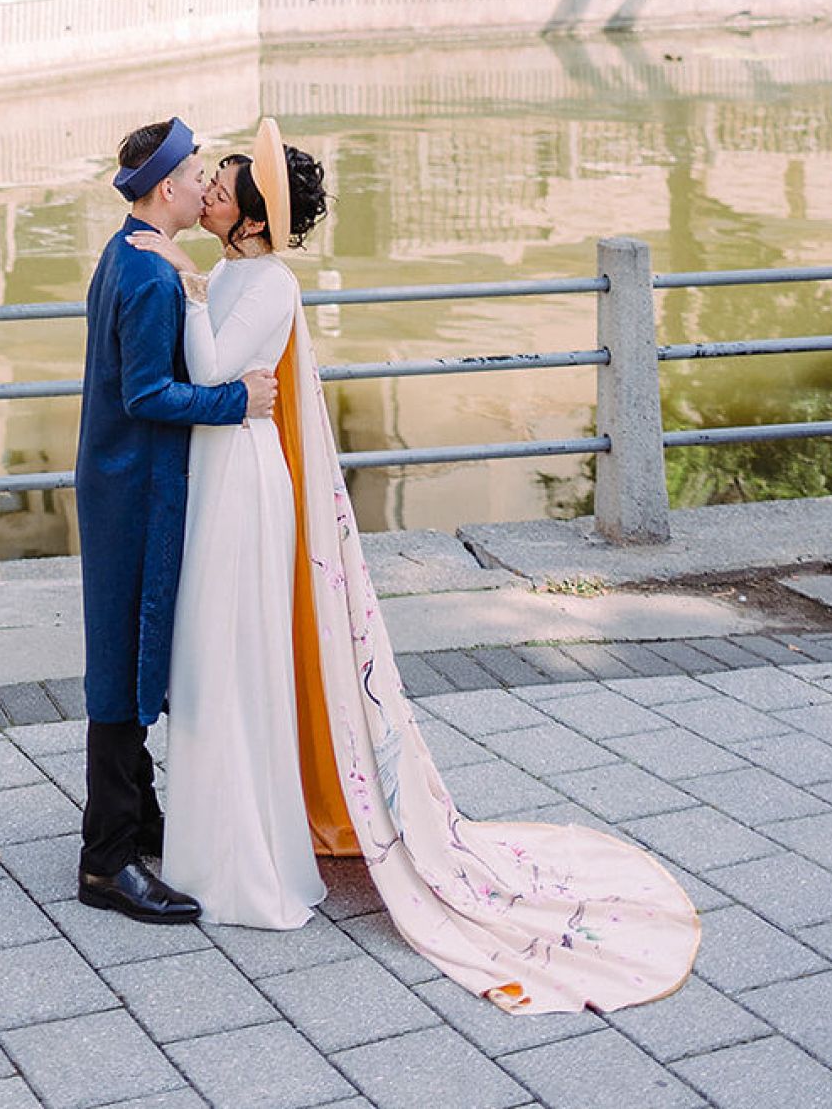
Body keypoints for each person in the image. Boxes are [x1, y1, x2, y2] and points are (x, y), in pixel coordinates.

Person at [136, 121, 702, 1014]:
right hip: (222, 466)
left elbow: (209, 365)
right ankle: (214, 842)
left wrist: (185, 284)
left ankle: (246, 863)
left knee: (234, 653)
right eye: (213, 177)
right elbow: (217, 378)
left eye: (225, 181)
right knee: (216, 658)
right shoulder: (235, 273)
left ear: (252, 217)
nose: (208, 187)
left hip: (244, 478)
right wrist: (199, 287)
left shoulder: (267, 282)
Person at [73, 115, 279, 924]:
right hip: (136, 484)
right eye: (198, 177)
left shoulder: (127, 251)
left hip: (118, 476)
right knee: (124, 660)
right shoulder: (154, 276)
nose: (206, 188)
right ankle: (106, 858)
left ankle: (139, 815)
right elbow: (147, 393)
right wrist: (238, 399)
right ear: (167, 187)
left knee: (126, 647)